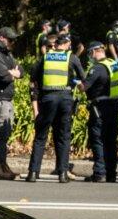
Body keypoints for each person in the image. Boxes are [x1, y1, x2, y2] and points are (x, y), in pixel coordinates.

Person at [27, 34, 85, 182]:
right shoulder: (71, 58)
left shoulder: (45, 58)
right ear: (67, 44)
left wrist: (35, 102)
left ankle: (33, 173)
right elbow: (82, 77)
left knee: (41, 136)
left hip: (47, 98)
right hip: (65, 98)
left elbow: (33, 78)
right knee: (63, 137)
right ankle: (63, 173)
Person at [83, 40, 118, 182]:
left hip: (100, 108)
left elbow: (84, 87)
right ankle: (111, 173)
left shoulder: (97, 68)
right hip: (113, 106)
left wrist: (77, 84)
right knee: (110, 141)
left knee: (98, 140)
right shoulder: (113, 64)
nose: (90, 56)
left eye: (90, 53)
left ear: (96, 51)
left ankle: (99, 173)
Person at [0, 26, 23, 180]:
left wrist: (15, 72)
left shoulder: (5, 53)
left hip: (6, 98)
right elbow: (3, 76)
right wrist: (12, 73)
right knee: (2, 133)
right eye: (10, 39)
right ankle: (0, 167)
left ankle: (3, 165)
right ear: (2, 37)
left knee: (6, 132)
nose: (12, 42)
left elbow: (20, 69)